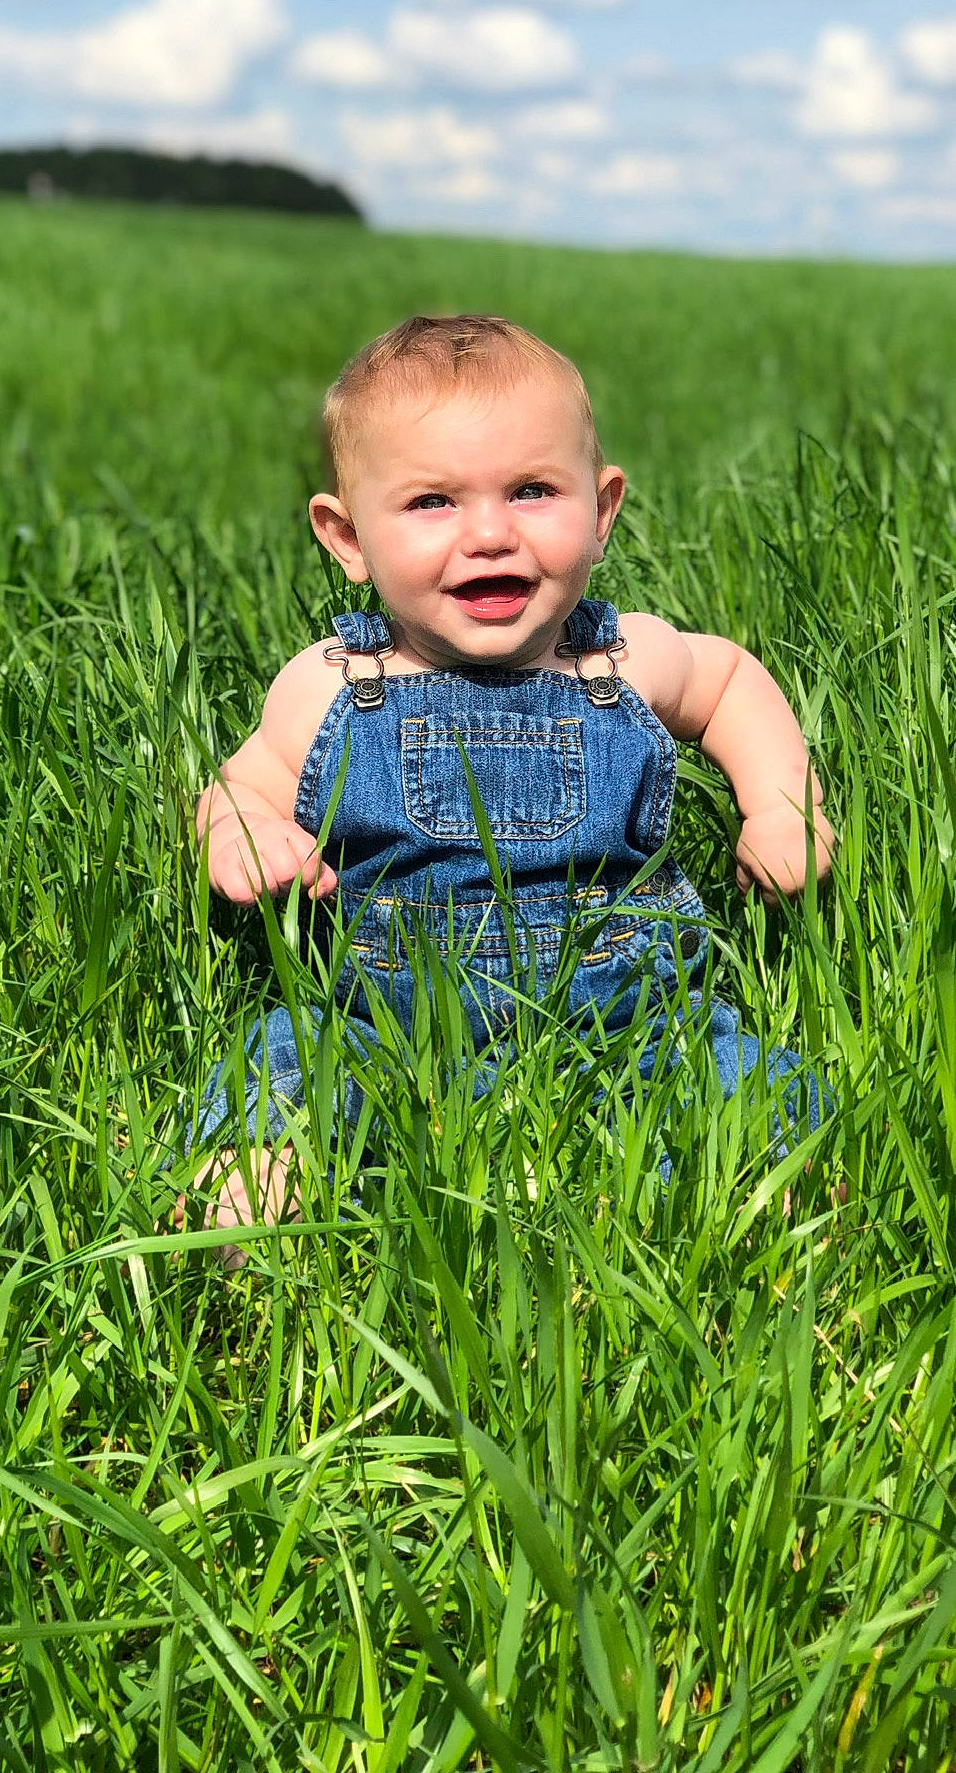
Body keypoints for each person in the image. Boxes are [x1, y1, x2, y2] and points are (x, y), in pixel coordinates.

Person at [186, 314, 833, 1256]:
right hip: (389, 1024)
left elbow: (729, 680)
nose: (489, 534)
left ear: (602, 510)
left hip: (632, 1019)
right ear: (347, 535)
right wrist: (242, 831)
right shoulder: (330, 682)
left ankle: (723, 1208)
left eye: (533, 491)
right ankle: (254, 1200)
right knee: (290, 1059)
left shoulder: (620, 658)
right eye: (432, 503)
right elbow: (238, 784)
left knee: (739, 1079)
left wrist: (781, 802)